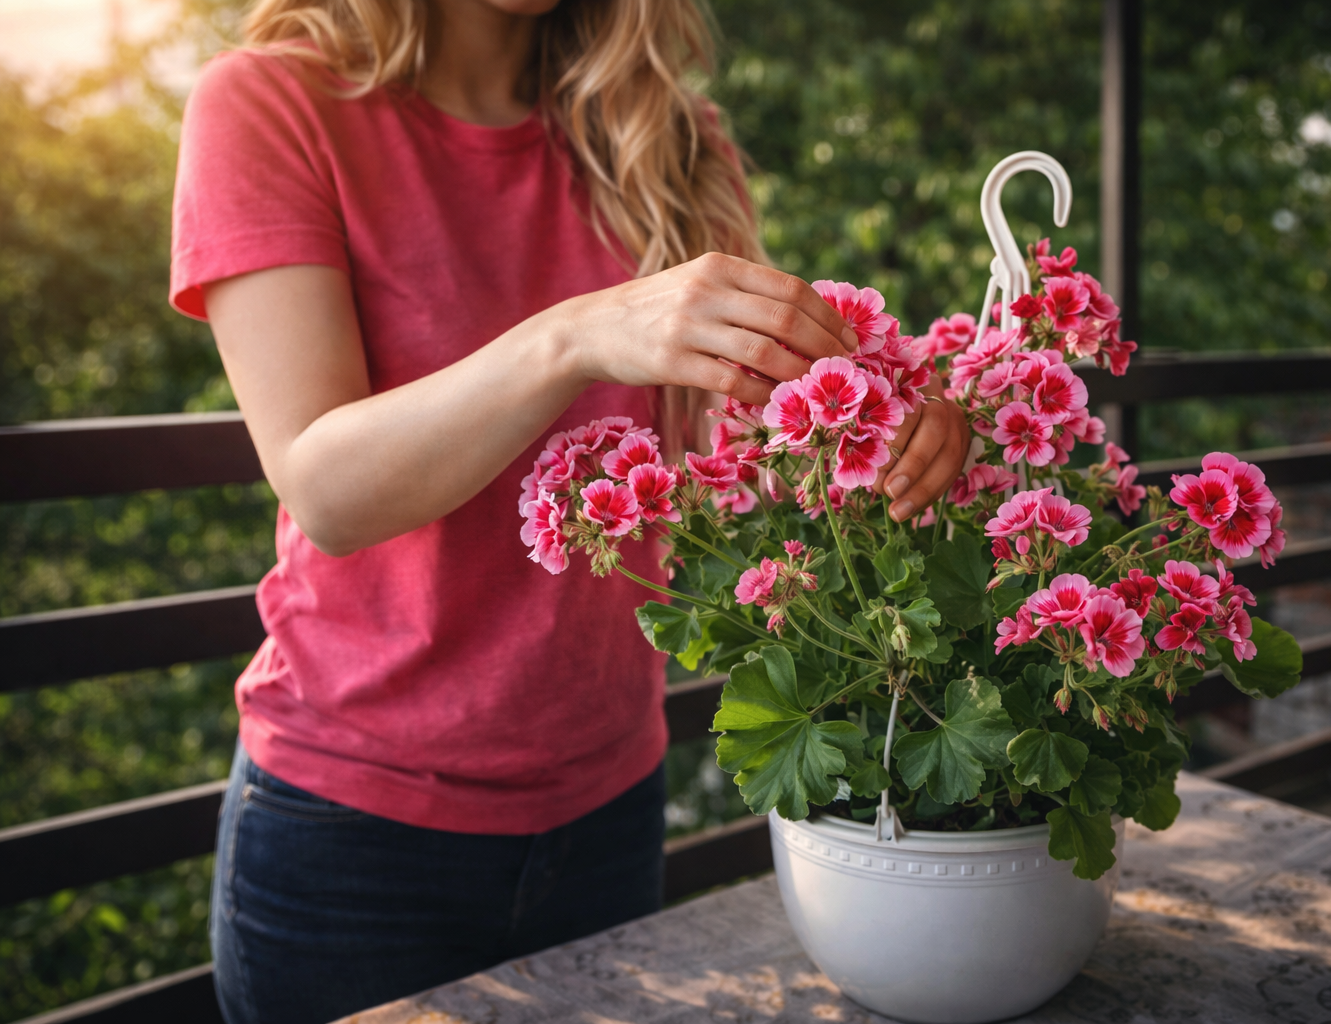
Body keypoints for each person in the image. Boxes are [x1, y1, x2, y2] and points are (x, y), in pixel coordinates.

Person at [170, 0, 968, 1021]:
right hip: (352, 842)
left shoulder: (665, 136)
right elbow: (326, 490)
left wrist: (891, 429)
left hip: (612, 809)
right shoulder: (269, 103)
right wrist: (575, 336)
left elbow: (734, 455)